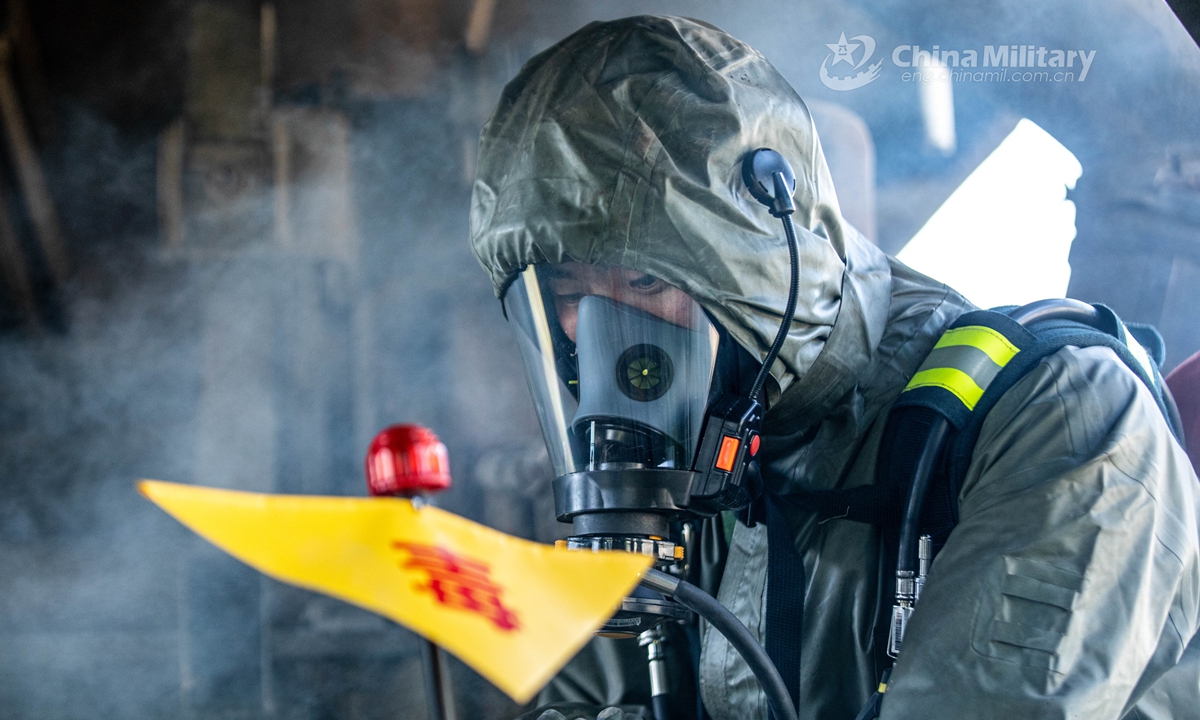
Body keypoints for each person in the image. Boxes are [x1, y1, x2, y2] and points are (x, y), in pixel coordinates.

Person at [468, 15, 1200, 720]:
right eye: (566, 295)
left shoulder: (1061, 416)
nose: (603, 338)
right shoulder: (695, 471)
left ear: (760, 256)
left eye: (647, 283)